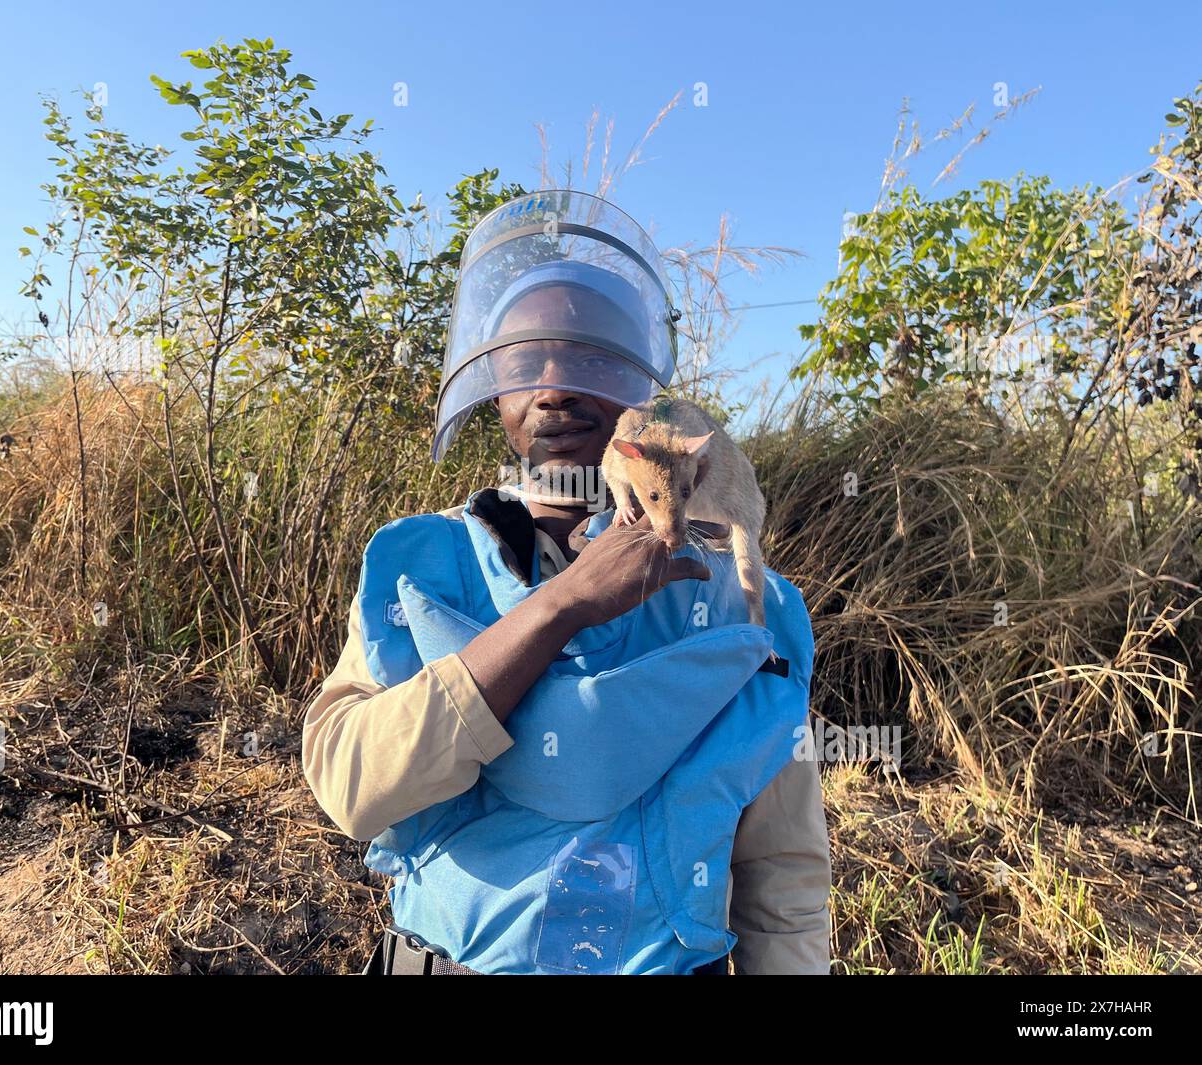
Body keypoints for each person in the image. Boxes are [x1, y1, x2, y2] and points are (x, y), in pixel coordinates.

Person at [302, 190, 831, 974]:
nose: (554, 385)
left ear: (643, 384)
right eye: (526, 359)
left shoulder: (744, 602)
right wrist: (560, 606)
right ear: (494, 387)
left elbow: (783, 873)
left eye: (591, 354)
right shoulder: (422, 566)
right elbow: (351, 786)